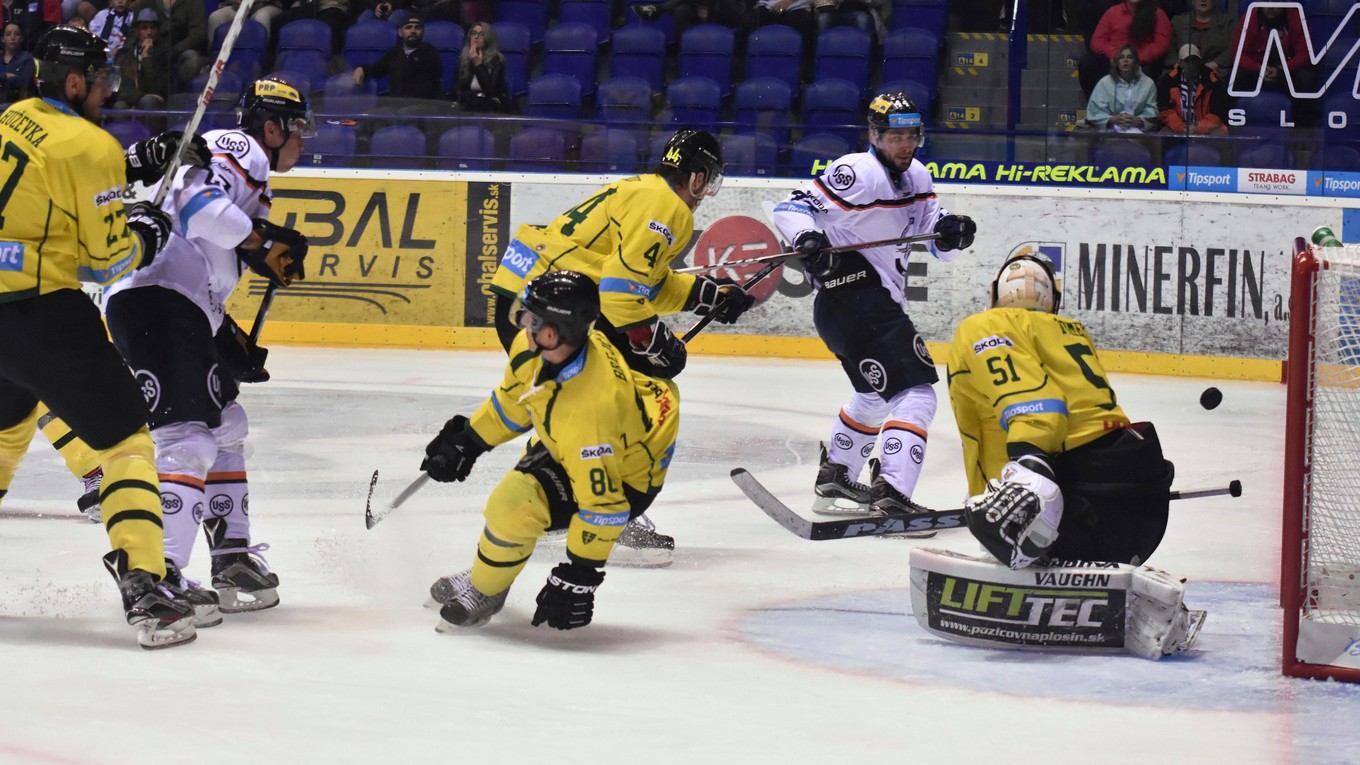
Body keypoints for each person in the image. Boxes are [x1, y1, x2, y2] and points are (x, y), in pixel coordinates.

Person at [0, 25, 199, 649]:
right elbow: (106, 262)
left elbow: (48, 182)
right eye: (102, 79)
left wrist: (131, 167)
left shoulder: (9, 118)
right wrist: (148, 232)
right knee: (125, 443)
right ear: (73, 81)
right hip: (42, 316)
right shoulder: (93, 145)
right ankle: (146, 585)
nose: (109, 90)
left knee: (4, 437)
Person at [485, 128, 753, 565]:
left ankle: (552, 495)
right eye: (709, 182)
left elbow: (642, 283)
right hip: (553, 306)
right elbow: (619, 292)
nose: (706, 194)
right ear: (698, 177)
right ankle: (590, 502)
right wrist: (656, 343)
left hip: (531, 295)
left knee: (582, 398)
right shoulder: (668, 206)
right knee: (627, 394)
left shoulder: (643, 191)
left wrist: (709, 295)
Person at [103, 75, 313, 617]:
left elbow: (200, 241)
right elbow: (195, 205)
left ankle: (232, 554)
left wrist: (223, 332)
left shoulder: (247, 165)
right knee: (186, 438)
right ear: (273, 128)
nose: (303, 140)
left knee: (225, 426)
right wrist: (259, 240)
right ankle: (162, 574)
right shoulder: (240, 146)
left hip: (179, 303)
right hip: (159, 298)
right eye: (298, 128)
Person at [935, 251, 1201, 659]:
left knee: (990, 520)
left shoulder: (983, 325)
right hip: (1138, 495)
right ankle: (1131, 603)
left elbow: (1036, 405)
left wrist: (1031, 467)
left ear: (995, 294)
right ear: (1052, 300)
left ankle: (1047, 553)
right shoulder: (1069, 329)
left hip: (1080, 502)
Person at [424, 270, 681, 631]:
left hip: (628, 474)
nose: (523, 326)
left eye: (534, 321)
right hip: (602, 429)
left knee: (514, 505)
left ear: (557, 332)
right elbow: (516, 400)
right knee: (521, 490)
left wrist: (580, 576)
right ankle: (491, 569)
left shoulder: (591, 414)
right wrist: (469, 439)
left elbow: (603, 505)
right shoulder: (537, 347)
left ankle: (485, 590)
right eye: (526, 316)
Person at [769, 91, 975, 534]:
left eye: (911, 136)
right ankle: (892, 492)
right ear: (874, 136)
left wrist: (952, 233)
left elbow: (937, 242)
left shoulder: (918, 175)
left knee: (873, 396)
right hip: (857, 298)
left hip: (851, 309)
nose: (905, 145)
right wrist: (807, 237)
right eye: (895, 137)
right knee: (916, 393)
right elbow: (791, 207)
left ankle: (836, 476)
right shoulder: (856, 172)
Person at [1230, 3, 1316, 126]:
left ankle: (1302, 131)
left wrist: (1281, 69)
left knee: (1306, 78)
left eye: (1275, 1)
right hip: (1257, 68)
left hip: (1286, 69)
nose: (1270, 6)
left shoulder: (1295, 16)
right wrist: (1259, 69)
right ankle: (1228, 128)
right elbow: (1238, 54)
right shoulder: (1250, 16)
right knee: (1234, 78)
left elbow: (1304, 54)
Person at [1078, 0, 1171, 99]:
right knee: (1087, 62)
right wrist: (1115, 55)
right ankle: (1095, 105)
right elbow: (1097, 41)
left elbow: (1161, 44)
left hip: (1141, 63)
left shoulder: (1158, 14)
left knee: (1149, 69)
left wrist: (1135, 58)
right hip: (1113, 61)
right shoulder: (1112, 12)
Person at [352, 15, 442, 102]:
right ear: (400, 32)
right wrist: (361, 69)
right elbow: (376, 69)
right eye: (408, 27)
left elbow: (428, 87)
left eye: (417, 28)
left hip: (422, 105)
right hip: (396, 105)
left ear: (423, 32)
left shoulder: (430, 52)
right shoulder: (394, 52)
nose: (413, 31)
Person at [1085, 43, 1159, 132]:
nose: (1125, 60)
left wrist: (1139, 121)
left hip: (1139, 131)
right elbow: (1095, 110)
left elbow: (1152, 111)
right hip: (1110, 131)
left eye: (1129, 57)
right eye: (1121, 57)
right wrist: (1112, 120)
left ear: (1135, 62)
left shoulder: (1148, 83)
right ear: (1117, 62)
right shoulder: (1104, 83)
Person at [1158, 44, 1228, 136]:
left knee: (1219, 134)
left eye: (1194, 61)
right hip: (1178, 126)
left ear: (1199, 62)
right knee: (1164, 134)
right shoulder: (1167, 81)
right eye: (1187, 61)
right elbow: (1165, 111)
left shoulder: (1213, 81)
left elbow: (1217, 114)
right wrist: (1181, 127)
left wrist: (1197, 128)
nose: (1191, 65)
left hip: (1205, 126)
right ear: (1180, 63)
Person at [111, 7, 169, 109]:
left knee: (147, 101)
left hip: (153, 103)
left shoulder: (164, 53)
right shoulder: (126, 53)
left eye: (153, 28)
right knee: (119, 105)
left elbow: (158, 89)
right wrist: (139, 96)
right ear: (138, 30)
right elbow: (119, 91)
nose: (149, 32)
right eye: (144, 28)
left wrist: (147, 58)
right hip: (129, 99)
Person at [450, 21, 509, 113]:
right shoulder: (463, 60)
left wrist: (478, 64)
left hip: (490, 108)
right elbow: (455, 90)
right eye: (474, 33)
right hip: (467, 105)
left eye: (482, 34)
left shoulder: (497, 60)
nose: (476, 37)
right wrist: (476, 96)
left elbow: (491, 92)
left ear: (488, 38)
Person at [1165, 0, 1235, 76]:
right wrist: (1178, 65)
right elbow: (1168, 47)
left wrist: (1215, 64)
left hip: (1216, 73)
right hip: (1181, 72)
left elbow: (1232, 49)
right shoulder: (1177, 22)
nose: (1203, 0)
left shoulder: (1228, 23)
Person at [0, 21, 34, 105]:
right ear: (2, 39)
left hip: (17, 104)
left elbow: (24, 81)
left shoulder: (27, 58)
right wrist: (6, 76)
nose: (12, 37)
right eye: (8, 34)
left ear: (21, 38)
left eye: (17, 34)